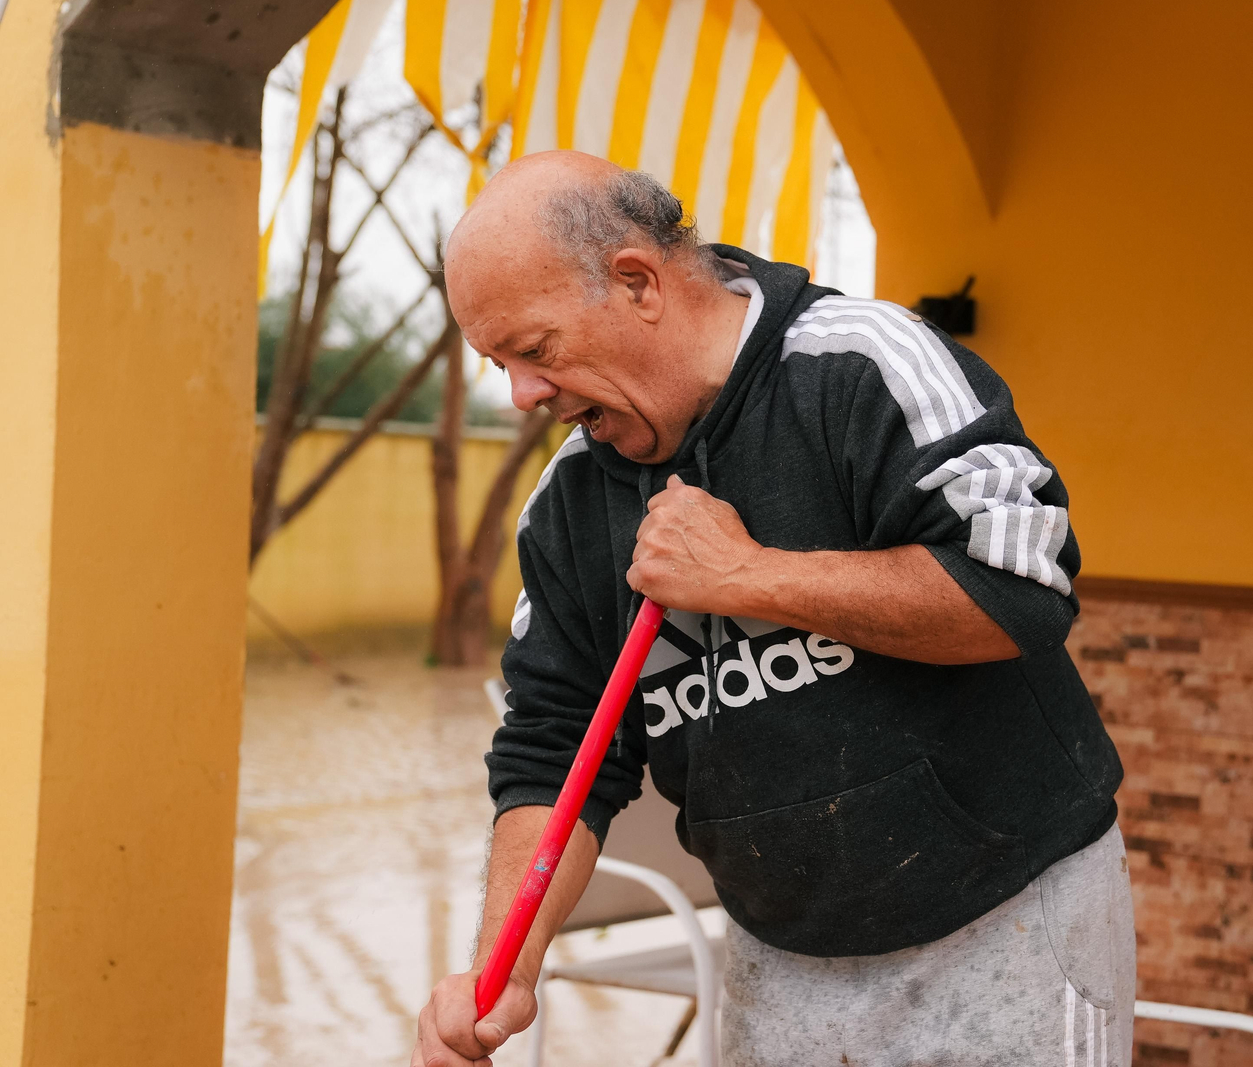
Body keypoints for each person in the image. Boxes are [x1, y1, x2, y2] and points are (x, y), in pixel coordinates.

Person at [410, 150, 1132, 1067]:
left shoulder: (863, 364)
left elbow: (1022, 588)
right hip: (775, 946)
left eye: (534, 350)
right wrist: (504, 963)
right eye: (498, 363)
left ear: (637, 281)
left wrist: (752, 576)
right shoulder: (568, 506)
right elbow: (553, 750)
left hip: (1008, 914)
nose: (522, 394)